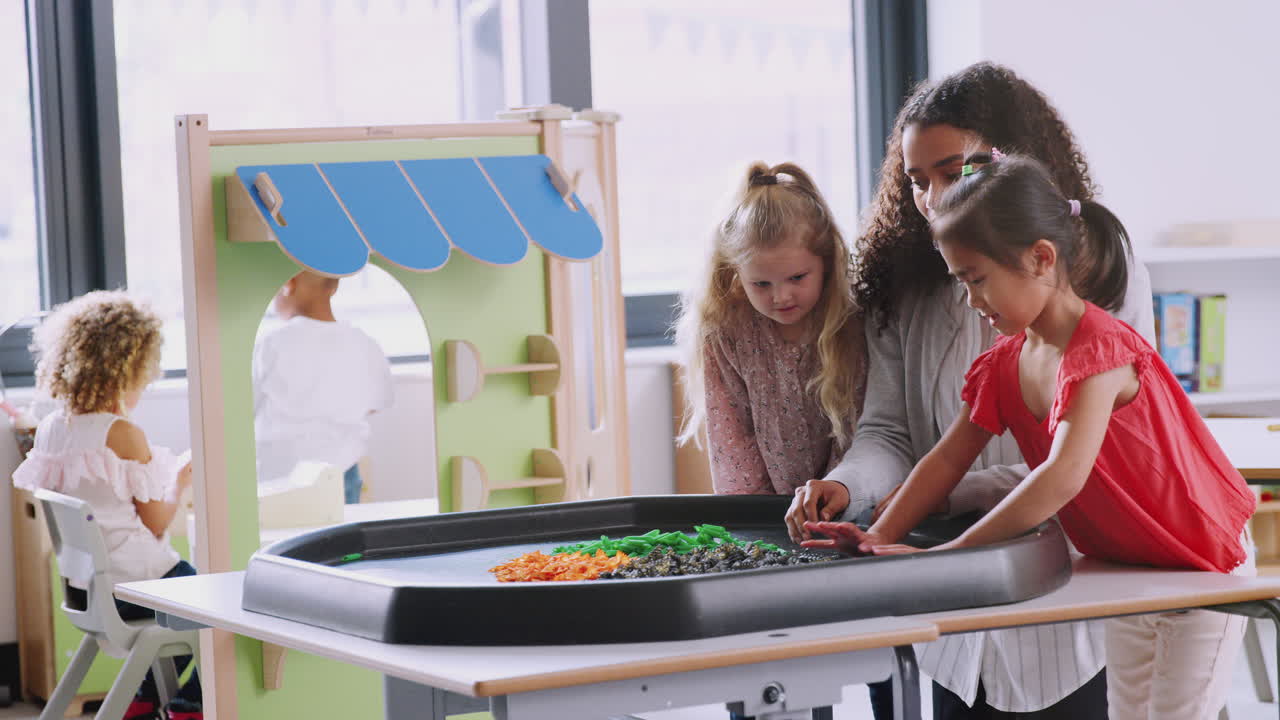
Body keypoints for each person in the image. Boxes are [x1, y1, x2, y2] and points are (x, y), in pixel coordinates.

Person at [805, 152, 1256, 720]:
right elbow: (946, 460)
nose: (971, 301)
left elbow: (1061, 476)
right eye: (961, 281)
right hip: (1130, 566)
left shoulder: (1101, 351)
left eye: (977, 279)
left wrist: (955, 556)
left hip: (1202, 561)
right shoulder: (1004, 364)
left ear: (1041, 259)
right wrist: (879, 535)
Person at [785, 62, 1155, 719]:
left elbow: (1086, 462)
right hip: (952, 613)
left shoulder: (1102, 280)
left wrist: (946, 503)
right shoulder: (904, 290)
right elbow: (891, 432)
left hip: (1064, 601)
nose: (931, 198)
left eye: (954, 173)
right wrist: (849, 488)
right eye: (917, 180)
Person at [13, 291, 202, 720]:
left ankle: (142, 700)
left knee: (183, 619)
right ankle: (190, 706)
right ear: (127, 370)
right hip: (140, 585)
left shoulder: (49, 429)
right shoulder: (122, 433)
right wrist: (180, 482)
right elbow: (156, 523)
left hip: (90, 589)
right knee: (220, 615)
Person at [675, 161, 865, 498]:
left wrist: (834, 498)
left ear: (826, 262)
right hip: (762, 512)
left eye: (797, 278)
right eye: (761, 283)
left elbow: (861, 432)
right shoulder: (726, 330)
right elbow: (731, 440)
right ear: (736, 274)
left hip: (849, 500)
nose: (781, 296)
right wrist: (755, 525)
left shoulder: (850, 321)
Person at [253, 271, 393, 503]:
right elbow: (378, 403)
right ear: (334, 287)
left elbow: (246, 403)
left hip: (278, 474)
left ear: (289, 283)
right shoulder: (363, 343)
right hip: (341, 471)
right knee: (340, 538)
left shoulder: (271, 344)